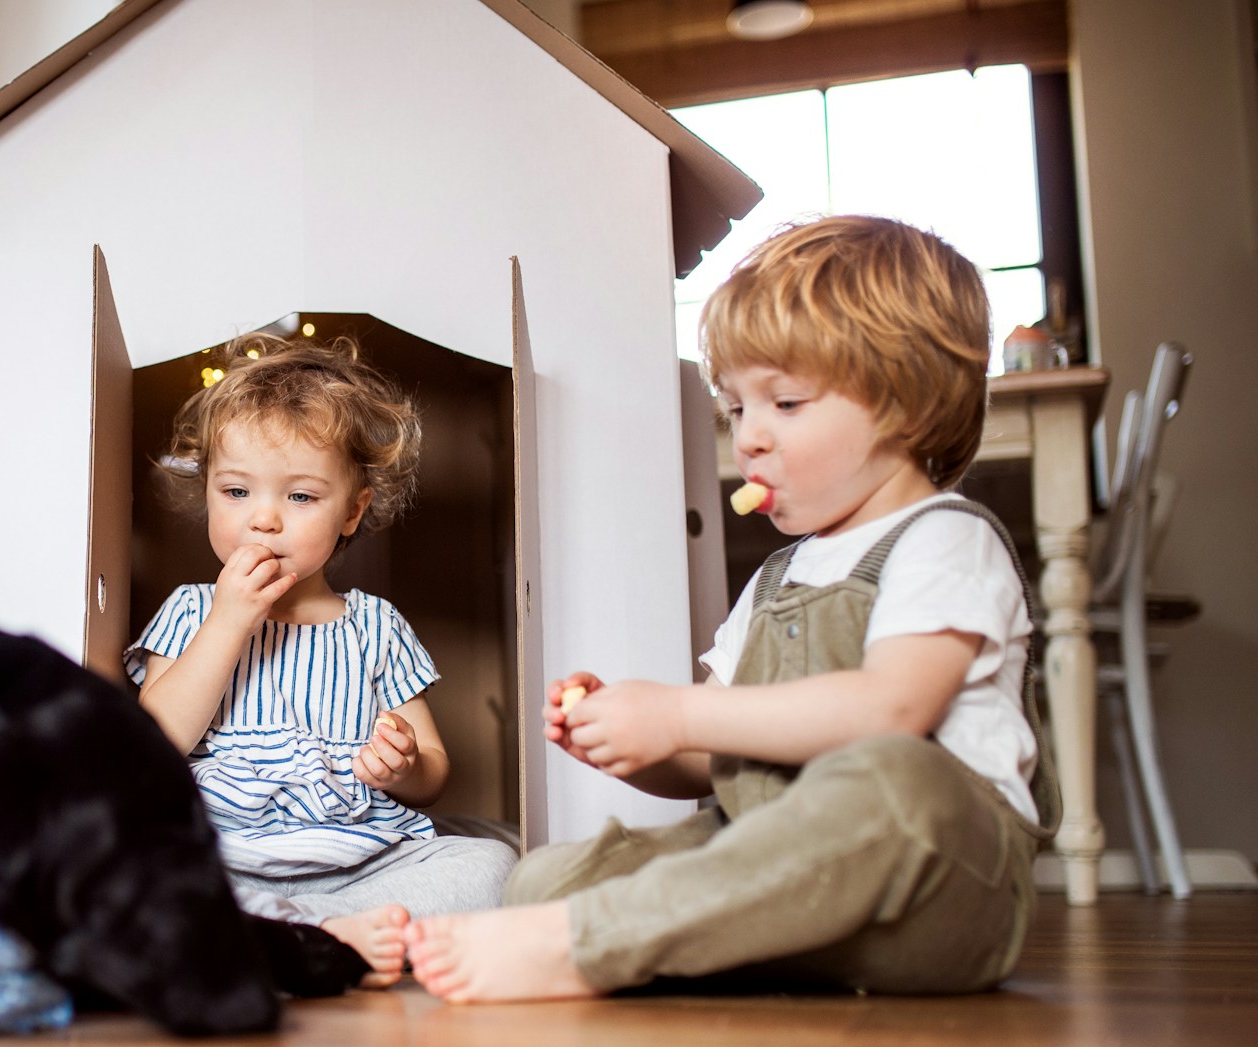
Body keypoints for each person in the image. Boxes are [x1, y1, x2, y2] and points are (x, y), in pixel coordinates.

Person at [405, 215, 1060, 1003]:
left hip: (937, 884)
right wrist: (636, 740)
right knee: (545, 876)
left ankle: (591, 942)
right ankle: (652, 930)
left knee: (895, 781)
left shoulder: (945, 539)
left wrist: (679, 714)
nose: (747, 438)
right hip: (788, 877)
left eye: (783, 403)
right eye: (736, 409)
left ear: (906, 407)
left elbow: (892, 708)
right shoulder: (780, 576)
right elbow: (713, 757)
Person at [127, 333, 517, 986]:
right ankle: (308, 933)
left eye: (300, 497)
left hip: (360, 862)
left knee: (493, 866)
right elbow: (155, 743)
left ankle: (301, 928)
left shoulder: (373, 625)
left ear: (351, 511)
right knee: (129, 863)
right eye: (236, 492)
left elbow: (433, 771)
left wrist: (403, 763)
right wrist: (230, 621)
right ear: (209, 493)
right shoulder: (194, 608)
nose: (264, 520)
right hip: (224, 854)